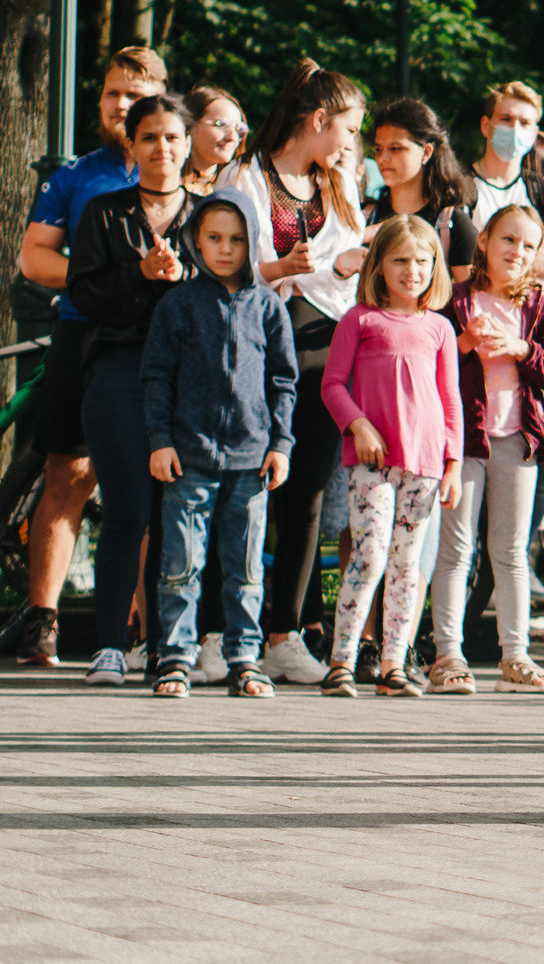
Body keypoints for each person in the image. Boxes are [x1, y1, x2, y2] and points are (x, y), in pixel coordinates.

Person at [1, 45, 168, 670]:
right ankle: (41, 622)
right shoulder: (75, 174)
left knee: (159, 481)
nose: (122, 105)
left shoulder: (183, 166)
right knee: (66, 475)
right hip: (84, 333)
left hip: (158, 344)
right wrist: (100, 278)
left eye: (135, 93)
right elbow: (34, 259)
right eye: (112, 95)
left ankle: (156, 631)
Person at [223, 60, 369, 685]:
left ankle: (285, 629)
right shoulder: (245, 176)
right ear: (318, 120)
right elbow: (226, 261)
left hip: (324, 343)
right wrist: (286, 269)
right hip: (257, 342)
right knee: (247, 488)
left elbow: (347, 263)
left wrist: (341, 268)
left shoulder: (338, 183)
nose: (350, 143)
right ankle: (226, 633)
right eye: (349, 128)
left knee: (308, 490)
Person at [63, 93, 200, 685]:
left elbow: (232, 291)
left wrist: (184, 277)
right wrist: (139, 276)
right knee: (127, 511)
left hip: (193, 379)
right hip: (118, 371)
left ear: (189, 145)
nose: (162, 148)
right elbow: (83, 296)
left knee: (184, 514)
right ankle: (111, 645)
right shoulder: (103, 210)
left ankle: (171, 645)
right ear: (133, 144)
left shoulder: (212, 213)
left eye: (172, 137)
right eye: (150, 137)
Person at [139, 190, 294, 699]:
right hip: (188, 457)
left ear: (251, 243)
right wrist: (160, 441)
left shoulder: (269, 307)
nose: (225, 249)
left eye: (237, 239)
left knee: (246, 568)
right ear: (195, 241)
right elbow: (157, 377)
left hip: (252, 460)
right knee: (181, 565)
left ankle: (244, 661)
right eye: (214, 238)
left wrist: (281, 444)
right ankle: (176, 659)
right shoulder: (177, 304)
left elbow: (283, 383)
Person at [318, 217, 464, 698]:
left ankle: (392, 665)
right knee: (370, 555)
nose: (412, 270)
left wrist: (454, 463)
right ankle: (341, 660)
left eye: (422, 261)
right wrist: (357, 425)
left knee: (407, 566)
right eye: (400, 260)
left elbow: (450, 400)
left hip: (424, 466)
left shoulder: (440, 328)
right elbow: (332, 385)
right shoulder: (359, 320)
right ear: (378, 265)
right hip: (373, 464)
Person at [428, 203, 544, 695]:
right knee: (457, 550)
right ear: (484, 241)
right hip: (466, 441)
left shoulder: (542, 307)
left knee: (511, 552)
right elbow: (432, 359)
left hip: (518, 439)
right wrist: (465, 342)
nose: (518, 251)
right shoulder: (456, 300)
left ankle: (516, 656)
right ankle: (447, 655)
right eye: (508, 239)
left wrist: (522, 349)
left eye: (529, 245)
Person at [464, 83, 544, 287]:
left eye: (524, 123)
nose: (515, 129)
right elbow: (457, 255)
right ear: (486, 125)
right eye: (506, 119)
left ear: (534, 134)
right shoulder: (459, 186)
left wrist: (486, 243)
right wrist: (534, 250)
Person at [366, 98, 481, 283]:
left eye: (396, 148)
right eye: (378, 149)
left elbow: (470, 302)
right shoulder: (366, 216)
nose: (382, 158)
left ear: (426, 152)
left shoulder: (452, 225)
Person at [180, 86, 247, 197]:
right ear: (191, 126)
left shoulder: (241, 187)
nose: (232, 137)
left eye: (239, 129)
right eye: (221, 125)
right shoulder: (164, 181)